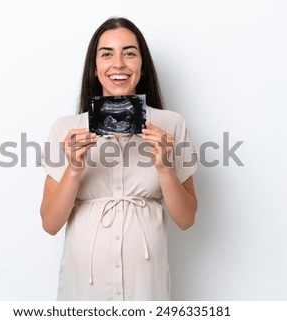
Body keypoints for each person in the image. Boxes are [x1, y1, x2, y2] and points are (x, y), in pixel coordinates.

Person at [40, 17, 198, 301]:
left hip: (146, 287)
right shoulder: (66, 129)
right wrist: (74, 170)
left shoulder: (170, 125)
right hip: (84, 291)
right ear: (95, 67)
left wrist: (164, 166)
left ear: (142, 64)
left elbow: (186, 219)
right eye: (107, 54)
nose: (119, 64)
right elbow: (50, 223)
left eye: (129, 53)